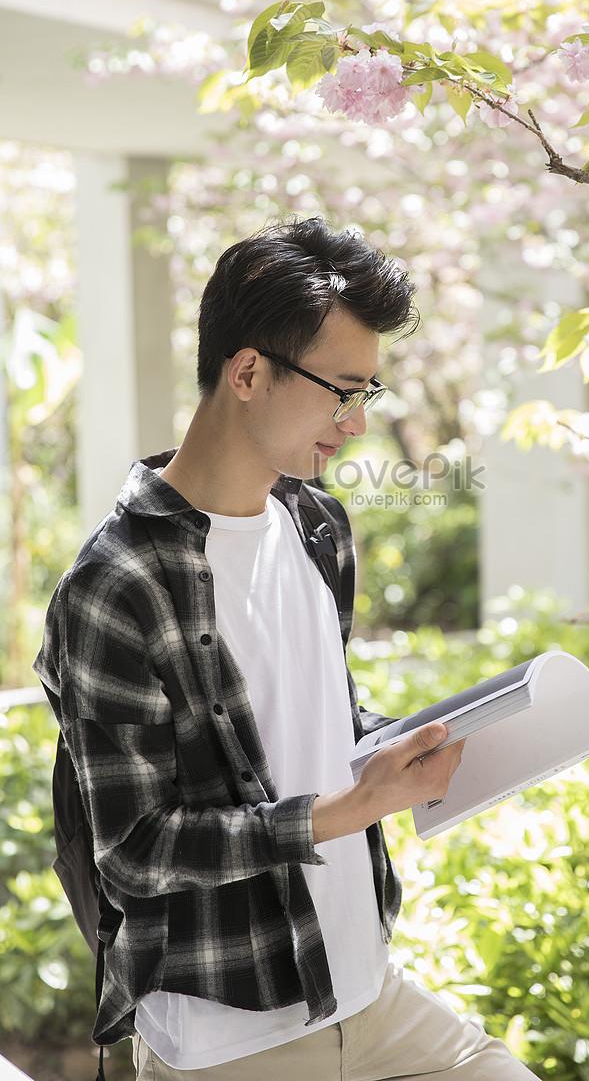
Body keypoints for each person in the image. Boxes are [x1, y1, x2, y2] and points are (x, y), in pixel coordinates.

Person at [35, 217, 535, 1080]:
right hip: (229, 1035)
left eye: (366, 394)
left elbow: (305, 717)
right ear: (248, 371)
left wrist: (424, 742)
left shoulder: (316, 524)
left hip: (367, 991)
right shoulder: (117, 586)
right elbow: (136, 850)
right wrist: (338, 814)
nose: (356, 425)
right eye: (343, 390)